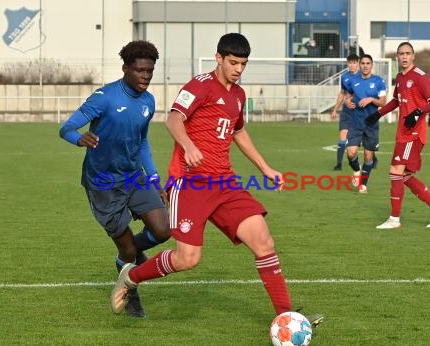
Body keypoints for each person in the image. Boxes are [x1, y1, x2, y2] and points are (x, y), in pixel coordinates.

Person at [110, 33, 323, 327]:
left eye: (243, 64)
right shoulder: (199, 86)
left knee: (263, 241)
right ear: (219, 58)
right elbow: (173, 118)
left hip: (224, 183)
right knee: (188, 259)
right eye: (233, 62)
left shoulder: (238, 95)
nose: (238, 69)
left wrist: (265, 168)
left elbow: (237, 132)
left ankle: (287, 316)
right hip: (191, 182)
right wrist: (188, 145)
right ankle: (131, 277)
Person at [59, 40, 170, 317]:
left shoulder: (148, 100)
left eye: (150, 71)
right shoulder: (105, 97)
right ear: (125, 69)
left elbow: (142, 141)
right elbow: (67, 128)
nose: (145, 76)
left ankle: (127, 256)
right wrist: (79, 138)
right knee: (130, 251)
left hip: (134, 177)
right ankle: (131, 290)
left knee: (163, 231)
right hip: (103, 184)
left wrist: (154, 178)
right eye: (140, 70)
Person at [365, 42, 430, 229]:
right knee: (403, 175)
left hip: (414, 133)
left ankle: (394, 219)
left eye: (407, 53)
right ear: (397, 57)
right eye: (401, 54)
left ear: (413, 56)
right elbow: (396, 100)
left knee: (395, 171)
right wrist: (377, 115)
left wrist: (417, 112)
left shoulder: (420, 77)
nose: (404, 57)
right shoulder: (401, 77)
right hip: (402, 132)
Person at [345, 54, 387, 194]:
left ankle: (363, 184)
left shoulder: (379, 81)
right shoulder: (353, 80)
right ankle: (357, 170)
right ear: (359, 64)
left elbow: (382, 102)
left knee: (368, 156)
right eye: (362, 63)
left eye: (368, 63)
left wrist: (370, 99)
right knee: (351, 153)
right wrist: (347, 101)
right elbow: (349, 95)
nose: (365, 65)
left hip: (371, 123)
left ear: (372, 65)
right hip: (355, 122)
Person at [330, 53, 360, 171]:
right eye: (350, 63)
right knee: (342, 136)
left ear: (357, 63)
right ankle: (339, 164)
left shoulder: (363, 77)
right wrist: (335, 109)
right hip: (346, 112)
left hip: (358, 113)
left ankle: (371, 157)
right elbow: (342, 93)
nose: (352, 65)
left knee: (363, 138)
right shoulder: (345, 77)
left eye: (354, 62)